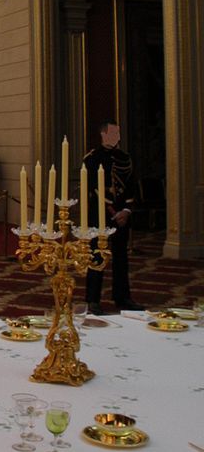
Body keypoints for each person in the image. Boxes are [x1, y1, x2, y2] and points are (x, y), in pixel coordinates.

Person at [84, 120, 142, 314]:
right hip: (100, 214)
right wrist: (113, 211)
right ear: (103, 135)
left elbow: (131, 185)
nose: (116, 137)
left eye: (118, 133)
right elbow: (94, 187)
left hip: (122, 214)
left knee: (121, 257)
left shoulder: (125, 158)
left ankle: (122, 296)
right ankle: (93, 299)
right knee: (97, 255)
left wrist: (126, 210)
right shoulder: (93, 158)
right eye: (112, 133)